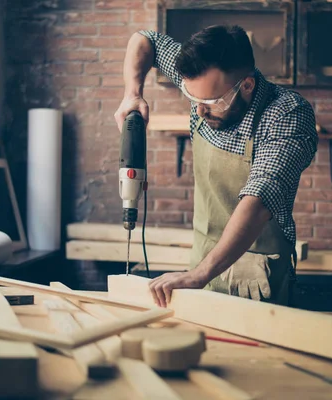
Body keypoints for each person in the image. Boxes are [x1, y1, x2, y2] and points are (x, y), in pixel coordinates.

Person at [114, 25, 318, 308]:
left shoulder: (287, 114)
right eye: (192, 97)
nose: (199, 110)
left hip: (256, 277)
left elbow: (260, 199)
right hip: (200, 264)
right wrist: (132, 94)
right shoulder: (205, 85)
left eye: (211, 101)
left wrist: (199, 274)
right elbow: (144, 39)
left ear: (246, 85)